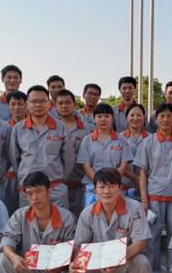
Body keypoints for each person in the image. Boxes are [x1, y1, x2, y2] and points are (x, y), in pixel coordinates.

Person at [68, 168, 153, 273]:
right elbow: (79, 245)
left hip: (124, 263)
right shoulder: (87, 213)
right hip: (97, 265)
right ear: (94, 189)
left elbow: (140, 243)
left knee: (142, 263)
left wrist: (115, 260)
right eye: (102, 187)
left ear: (120, 188)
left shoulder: (134, 208)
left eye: (112, 186)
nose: (106, 191)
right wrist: (76, 263)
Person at [0, 172, 77, 273]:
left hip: (56, 271)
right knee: (2, 259)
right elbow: (8, 238)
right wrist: (14, 257)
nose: (34, 197)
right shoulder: (20, 215)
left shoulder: (66, 218)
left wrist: (59, 266)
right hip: (30, 268)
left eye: (39, 191)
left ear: (49, 191)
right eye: (29, 193)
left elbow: (72, 249)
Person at [133, 103, 172, 273]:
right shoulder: (148, 142)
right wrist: (144, 199)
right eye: (161, 116)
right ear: (156, 119)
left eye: (169, 116)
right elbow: (142, 173)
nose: (165, 119)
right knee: (153, 237)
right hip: (154, 197)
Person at [9, 85, 74, 209]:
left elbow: (68, 159)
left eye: (42, 101)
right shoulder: (18, 129)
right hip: (28, 190)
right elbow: (14, 158)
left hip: (55, 188)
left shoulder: (60, 127)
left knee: (59, 219)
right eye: (34, 101)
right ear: (27, 104)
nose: (38, 105)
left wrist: (59, 180)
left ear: (49, 103)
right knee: (28, 220)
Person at [77, 103, 133, 204]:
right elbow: (86, 166)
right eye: (99, 116)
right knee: (92, 213)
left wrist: (108, 183)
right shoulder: (87, 140)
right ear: (94, 118)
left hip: (113, 187)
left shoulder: (122, 140)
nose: (103, 119)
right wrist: (99, 184)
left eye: (107, 116)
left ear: (112, 118)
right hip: (93, 188)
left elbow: (123, 166)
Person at [55, 89, 93, 219]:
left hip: (80, 184)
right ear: (55, 106)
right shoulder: (50, 128)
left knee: (81, 219)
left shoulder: (88, 129)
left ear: (75, 104)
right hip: (57, 186)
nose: (64, 106)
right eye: (60, 103)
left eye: (67, 102)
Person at [3, 90, 28, 216]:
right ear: (8, 105)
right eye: (13, 104)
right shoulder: (4, 127)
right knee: (9, 210)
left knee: (26, 212)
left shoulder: (33, 126)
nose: (16, 107)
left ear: (26, 104)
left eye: (20, 104)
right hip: (9, 176)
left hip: (27, 176)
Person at [121, 102, 149, 195]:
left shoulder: (152, 138)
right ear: (127, 117)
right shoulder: (119, 138)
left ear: (144, 117)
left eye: (139, 115)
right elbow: (117, 163)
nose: (135, 118)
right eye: (132, 115)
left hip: (147, 187)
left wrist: (142, 181)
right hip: (124, 187)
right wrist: (136, 179)